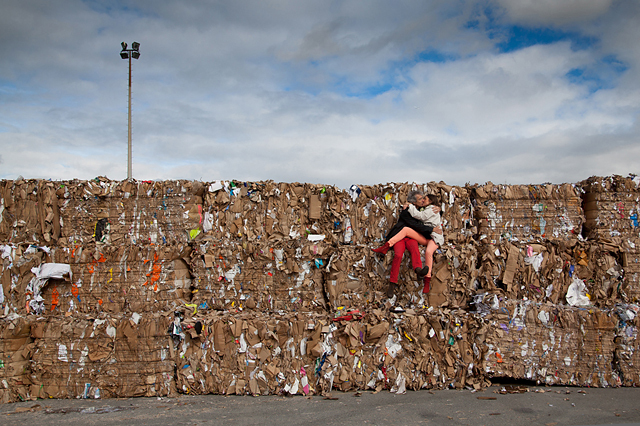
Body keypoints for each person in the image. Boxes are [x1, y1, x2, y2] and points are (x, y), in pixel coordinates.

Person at [372, 190, 440, 297]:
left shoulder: (421, 210)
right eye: (420, 199)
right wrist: (432, 229)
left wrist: (439, 209)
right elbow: (415, 225)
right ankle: (392, 284)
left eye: (423, 198)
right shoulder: (406, 210)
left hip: (410, 237)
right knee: (398, 255)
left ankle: (419, 271)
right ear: (413, 202)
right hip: (400, 237)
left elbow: (431, 215)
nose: (422, 200)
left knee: (415, 250)